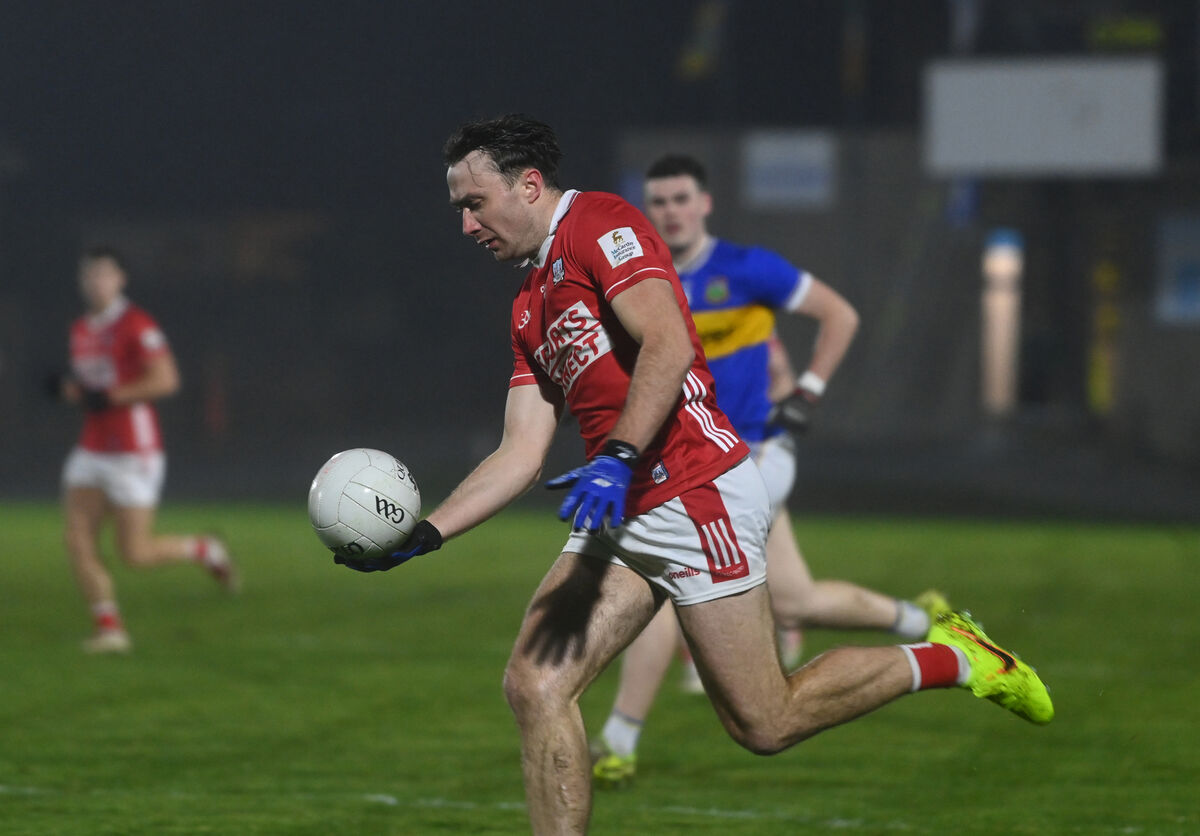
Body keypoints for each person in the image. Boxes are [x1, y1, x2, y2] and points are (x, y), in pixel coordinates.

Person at [334, 115, 1052, 835]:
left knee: (766, 722)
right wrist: (426, 533)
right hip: (622, 512)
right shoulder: (529, 308)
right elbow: (521, 451)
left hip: (695, 491)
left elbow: (669, 343)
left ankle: (956, 658)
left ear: (527, 185)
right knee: (535, 684)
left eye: (473, 203)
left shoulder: (599, 224)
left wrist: (616, 456)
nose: (466, 225)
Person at [590, 154, 952, 786]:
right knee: (796, 599)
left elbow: (840, 314)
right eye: (660, 201)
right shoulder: (640, 280)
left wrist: (807, 391)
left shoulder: (748, 268)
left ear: (705, 203)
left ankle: (620, 739)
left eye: (681, 198)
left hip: (753, 455)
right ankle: (929, 624)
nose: (671, 211)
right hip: (687, 464)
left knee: (664, 571)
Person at [53, 246, 238, 654]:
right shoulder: (81, 328)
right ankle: (109, 629)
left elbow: (166, 380)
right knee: (77, 538)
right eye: (89, 274)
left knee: (135, 554)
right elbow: (93, 389)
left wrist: (110, 397)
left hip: (133, 451)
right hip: (91, 448)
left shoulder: (136, 324)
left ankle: (204, 549)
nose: (95, 282)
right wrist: (67, 391)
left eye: (104, 273)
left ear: (121, 279)